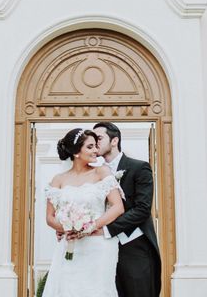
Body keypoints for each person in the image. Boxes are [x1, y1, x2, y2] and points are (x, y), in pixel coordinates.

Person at [42, 128, 125, 297]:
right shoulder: (58, 179)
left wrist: (90, 227)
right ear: (76, 152)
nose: (96, 150)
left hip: (99, 245)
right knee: (68, 290)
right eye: (90, 147)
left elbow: (118, 207)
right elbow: (50, 218)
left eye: (96, 146)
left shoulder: (102, 172)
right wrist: (67, 228)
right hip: (70, 244)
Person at [93, 122, 161, 297]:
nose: (95, 142)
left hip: (134, 246)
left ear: (114, 140)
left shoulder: (139, 167)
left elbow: (142, 209)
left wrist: (106, 229)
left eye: (99, 138)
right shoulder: (93, 173)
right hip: (100, 248)